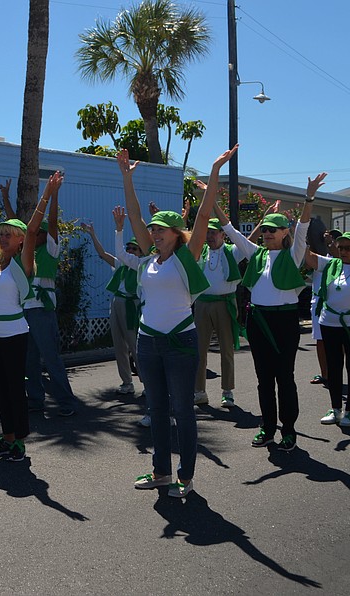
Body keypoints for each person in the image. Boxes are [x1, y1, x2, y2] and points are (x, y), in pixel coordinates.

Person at [123, 144, 238, 499]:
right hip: (148, 342)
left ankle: (185, 477)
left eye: (162, 230)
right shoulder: (149, 260)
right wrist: (126, 178)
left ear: (176, 232)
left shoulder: (187, 258)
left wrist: (216, 170)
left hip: (180, 342)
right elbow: (134, 215)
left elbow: (203, 217)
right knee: (156, 410)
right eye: (153, 231)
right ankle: (161, 471)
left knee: (183, 411)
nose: (155, 234)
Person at [0, 176, 61, 462]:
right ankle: (7, 438)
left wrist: (46, 194)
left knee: (15, 390)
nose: (3, 237)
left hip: (15, 333)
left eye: (9, 234)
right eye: (2, 233)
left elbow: (33, 230)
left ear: (19, 241)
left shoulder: (23, 264)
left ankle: (19, 441)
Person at [228, 173, 327, 451]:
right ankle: (268, 428)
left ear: (285, 232)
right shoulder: (255, 253)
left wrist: (309, 197)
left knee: (284, 377)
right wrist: (211, 194)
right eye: (265, 229)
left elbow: (304, 225)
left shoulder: (293, 254)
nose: (268, 233)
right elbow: (230, 230)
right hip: (259, 320)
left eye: (274, 229)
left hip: (284, 322)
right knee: (263, 380)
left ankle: (289, 429)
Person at [0, 178, 78, 416]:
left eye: (41, 233)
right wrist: (5, 197)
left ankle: (66, 403)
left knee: (51, 359)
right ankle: (35, 400)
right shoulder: (24, 252)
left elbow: (52, 223)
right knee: (29, 361)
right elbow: (17, 227)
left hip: (42, 311)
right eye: (37, 233)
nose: (38, 235)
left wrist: (53, 195)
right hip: (23, 311)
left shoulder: (51, 250)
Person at [306, 213, 350, 427]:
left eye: (348, 248)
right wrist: (297, 232)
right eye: (340, 247)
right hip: (329, 322)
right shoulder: (331, 264)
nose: (343, 251)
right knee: (334, 367)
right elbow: (309, 258)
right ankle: (336, 408)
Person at [192, 188, 249, 409]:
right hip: (203, 304)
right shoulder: (201, 252)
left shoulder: (233, 251)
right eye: (208, 232)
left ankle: (227, 392)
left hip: (225, 303)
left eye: (214, 232)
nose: (210, 236)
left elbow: (246, 241)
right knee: (199, 350)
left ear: (222, 235)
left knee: (226, 348)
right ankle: (199, 391)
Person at [82, 212, 142, 398]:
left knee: (135, 346)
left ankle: (148, 383)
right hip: (116, 302)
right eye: (129, 248)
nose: (130, 251)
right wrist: (92, 234)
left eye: (134, 248)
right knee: (119, 345)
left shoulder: (141, 266)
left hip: (131, 305)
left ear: (140, 252)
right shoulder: (120, 265)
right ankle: (127, 382)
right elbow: (102, 254)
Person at [308, 229, 342, 386]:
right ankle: (325, 374)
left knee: (336, 342)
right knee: (320, 340)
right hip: (317, 302)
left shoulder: (340, 259)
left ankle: (336, 374)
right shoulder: (321, 258)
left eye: (330, 238)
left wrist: (330, 242)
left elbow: (339, 258)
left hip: (334, 303)